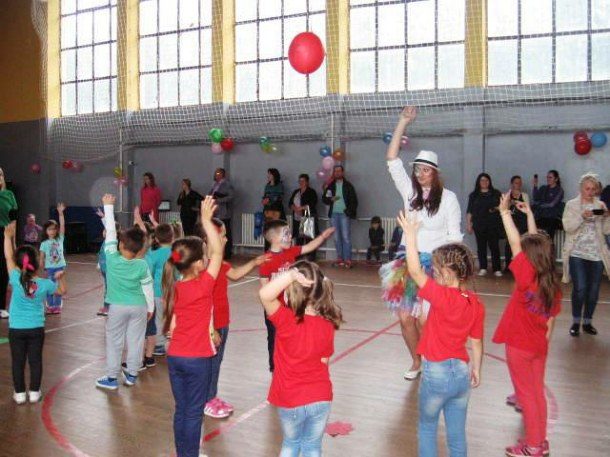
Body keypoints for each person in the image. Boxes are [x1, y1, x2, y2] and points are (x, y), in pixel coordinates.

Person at [383, 106, 463, 381]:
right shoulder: (409, 192)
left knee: (425, 319)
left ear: (435, 173)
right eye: (417, 169)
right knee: (405, 318)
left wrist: (450, 272)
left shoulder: (449, 198)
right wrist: (402, 122)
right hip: (408, 262)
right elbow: (392, 159)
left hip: (435, 266)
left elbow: (455, 237)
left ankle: (431, 359)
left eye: (425, 170)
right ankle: (417, 361)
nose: (420, 173)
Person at [397, 211, 484, 457]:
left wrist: (410, 236)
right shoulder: (475, 303)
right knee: (456, 435)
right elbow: (476, 342)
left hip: (436, 373)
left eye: (435, 269)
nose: (432, 272)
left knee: (427, 428)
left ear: (447, 272)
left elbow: (415, 271)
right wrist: (477, 369)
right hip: (461, 375)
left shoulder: (442, 296)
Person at [494, 193, 561, 457]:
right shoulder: (550, 282)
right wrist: (530, 214)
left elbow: (515, 242)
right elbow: (536, 243)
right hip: (539, 346)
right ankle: (540, 441)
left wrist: (504, 212)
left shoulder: (526, 277)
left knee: (527, 397)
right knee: (536, 394)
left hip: (519, 346)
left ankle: (532, 446)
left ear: (528, 257)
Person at [259, 261, 343, 457]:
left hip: (291, 398)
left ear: (290, 293)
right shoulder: (328, 324)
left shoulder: (285, 320)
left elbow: (265, 294)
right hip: (321, 397)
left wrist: (290, 275)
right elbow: (324, 362)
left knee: (291, 443)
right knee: (312, 447)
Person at [161, 196, 222, 457]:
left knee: (182, 409)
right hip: (197, 358)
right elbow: (218, 252)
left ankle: (182, 452)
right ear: (198, 264)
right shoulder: (204, 284)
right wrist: (206, 221)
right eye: (203, 256)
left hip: (175, 356)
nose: (208, 258)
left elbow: (174, 321)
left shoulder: (175, 286)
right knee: (194, 413)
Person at [203, 218, 269, 419]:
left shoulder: (221, 264)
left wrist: (254, 262)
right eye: (221, 236)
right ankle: (206, 400)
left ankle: (211, 395)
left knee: (217, 361)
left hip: (223, 322)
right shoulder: (204, 267)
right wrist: (211, 330)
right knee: (211, 363)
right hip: (212, 325)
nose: (225, 239)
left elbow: (236, 274)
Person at [95, 194, 155, 391]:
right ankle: (132, 374)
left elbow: (111, 233)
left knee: (114, 342)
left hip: (117, 307)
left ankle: (112, 378)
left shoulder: (112, 258)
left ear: (121, 245)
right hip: (139, 306)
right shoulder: (142, 264)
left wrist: (108, 207)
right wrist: (150, 308)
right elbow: (148, 288)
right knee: (136, 341)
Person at [259, 220, 335, 372]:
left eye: (289, 233)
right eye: (286, 233)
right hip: (276, 310)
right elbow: (264, 287)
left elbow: (309, 247)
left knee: (293, 337)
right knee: (274, 339)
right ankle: (275, 368)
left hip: (292, 306)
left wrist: (322, 236)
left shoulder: (290, 252)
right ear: (273, 238)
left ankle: (292, 364)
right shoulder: (266, 260)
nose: (290, 236)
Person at [4, 222, 67, 404]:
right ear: (37, 263)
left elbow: (8, 256)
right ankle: (34, 392)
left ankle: (19, 393)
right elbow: (62, 291)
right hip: (36, 329)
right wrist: (61, 278)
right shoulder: (45, 284)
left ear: (19, 264)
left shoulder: (15, 278)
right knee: (35, 361)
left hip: (16, 329)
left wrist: (7, 237)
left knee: (18, 362)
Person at [562, 173, 610, 337]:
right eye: (587, 189)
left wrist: (607, 217)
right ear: (581, 189)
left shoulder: (600, 205)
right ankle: (576, 321)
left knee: (594, 290)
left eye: (593, 189)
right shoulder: (571, 205)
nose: (590, 192)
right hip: (577, 252)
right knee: (580, 288)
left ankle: (588, 322)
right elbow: (568, 227)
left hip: (597, 254)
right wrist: (582, 217)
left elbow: (606, 230)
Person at [143, 223, 174, 367]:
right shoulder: (176, 253)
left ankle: (159, 344)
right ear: (172, 237)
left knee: (157, 318)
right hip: (172, 290)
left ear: (156, 239)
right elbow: (179, 269)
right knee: (167, 316)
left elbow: (148, 271)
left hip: (156, 291)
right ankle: (165, 340)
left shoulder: (153, 253)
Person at [466, 173, 503, 277]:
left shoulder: (496, 193)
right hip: (479, 224)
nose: (484, 182)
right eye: (482, 180)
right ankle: (483, 268)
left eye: (486, 180)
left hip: (493, 224)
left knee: (494, 246)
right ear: (478, 182)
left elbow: (502, 206)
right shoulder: (473, 195)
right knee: (481, 246)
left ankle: (497, 269)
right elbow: (469, 211)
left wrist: (494, 208)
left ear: (489, 181)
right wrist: (469, 224)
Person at [322, 165, 358, 269]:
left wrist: (348, 211)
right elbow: (324, 199)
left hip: (344, 214)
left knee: (346, 237)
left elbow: (354, 201)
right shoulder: (330, 186)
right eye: (335, 171)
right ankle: (340, 258)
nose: (337, 173)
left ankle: (347, 259)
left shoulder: (348, 186)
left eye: (339, 171)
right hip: (334, 214)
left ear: (342, 172)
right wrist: (330, 200)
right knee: (336, 237)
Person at [40, 203, 67, 314]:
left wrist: (60, 213)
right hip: (50, 268)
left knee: (58, 286)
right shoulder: (44, 243)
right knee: (50, 286)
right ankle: (50, 305)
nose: (52, 231)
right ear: (46, 231)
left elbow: (62, 225)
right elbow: (41, 257)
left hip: (60, 267)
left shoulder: (60, 239)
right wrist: (42, 269)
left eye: (54, 229)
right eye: (49, 229)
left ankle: (57, 305)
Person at [0, 167, 19, 319]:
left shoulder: (9, 195)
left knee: (3, 271)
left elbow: (13, 220)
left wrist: (13, 241)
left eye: (0, 174)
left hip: (4, 234)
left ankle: (1, 307)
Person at [288, 173, 319, 259]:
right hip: (297, 218)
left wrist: (301, 208)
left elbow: (312, 203)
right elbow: (290, 203)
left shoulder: (311, 192)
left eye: (303, 181)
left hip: (307, 217)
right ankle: (298, 256)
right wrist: (295, 209)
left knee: (309, 238)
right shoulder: (296, 192)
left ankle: (311, 257)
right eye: (300, 181)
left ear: (307, 182)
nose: (301, 182)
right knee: (298, 238)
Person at [504, 176, 530, 269]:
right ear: (512, 184)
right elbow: (504, 208)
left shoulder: (525, 195)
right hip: (511, 222)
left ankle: (522, 265)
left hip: (522, 222)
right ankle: (508, 265)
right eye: (516, 182)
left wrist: (515, 202)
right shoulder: (507, 195)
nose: (518, 184)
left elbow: (527, 207)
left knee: (523, 244)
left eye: (520, 183)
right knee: (509, 244)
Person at [209, 168, 235, 259]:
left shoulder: (227, 184)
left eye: (218, 173)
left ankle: (227, 252)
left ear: (222, 174)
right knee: (217, 231)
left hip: (224, 212)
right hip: (215, 211)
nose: (216, 175)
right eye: (215, 173)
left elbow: (231, 196)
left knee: (226, 232)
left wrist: (219, 200)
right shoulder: (215, 185)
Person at [532, 170, 564, 241]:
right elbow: (535, 199)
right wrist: (535, 186)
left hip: (551, 218)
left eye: (550, 177)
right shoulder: (543, 188)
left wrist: (540, 205)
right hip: (540, 217)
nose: (548, 179)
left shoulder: (559, 190)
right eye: (547, 177)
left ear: (556, 179)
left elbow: (552, 204)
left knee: (548, 239)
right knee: (537, 239)